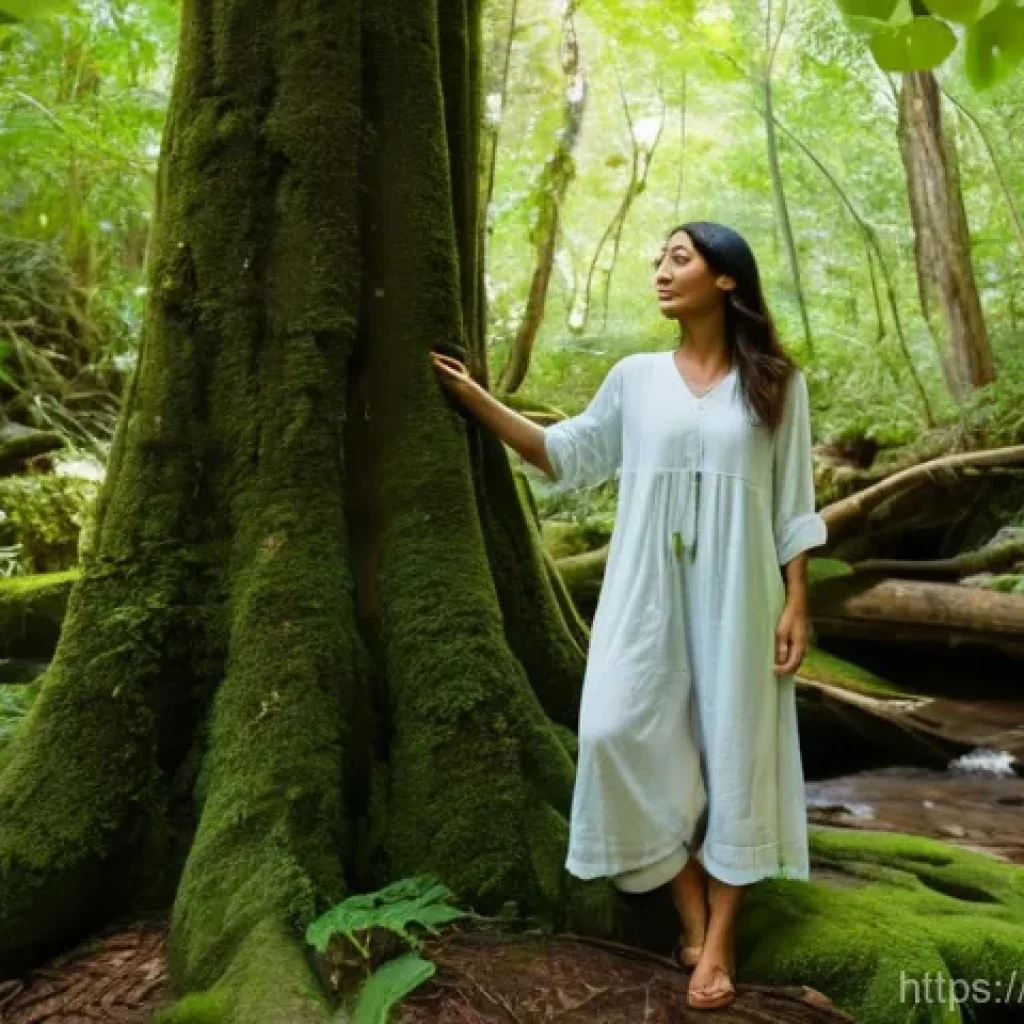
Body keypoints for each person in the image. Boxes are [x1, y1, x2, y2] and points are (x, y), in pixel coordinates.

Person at [431, 221, 827, 1011]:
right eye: (659, 258)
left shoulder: (776, 381)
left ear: (725, 279)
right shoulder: (636, 377)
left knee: (738, 753)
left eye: (679, 258)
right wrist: (478, 401)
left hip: (741, 592)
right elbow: (563, 454)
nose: (661, 270)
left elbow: (793, 506)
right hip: (645, 589)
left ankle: (716, 941)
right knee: (613, 731)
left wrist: (796, 602)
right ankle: (687, 897)